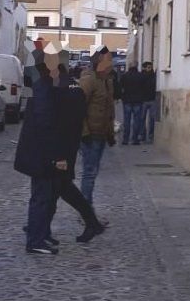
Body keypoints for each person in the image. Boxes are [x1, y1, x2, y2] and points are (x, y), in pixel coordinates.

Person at [52, 63, 104, 243]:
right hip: (63, 146)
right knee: (57, 188)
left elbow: (68, 118)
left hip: (62, 146)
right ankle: (38, 226)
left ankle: (91, 221)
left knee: (60, 187)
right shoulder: (65, 86)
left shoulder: (67, 88)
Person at [14, 59, 61, 255]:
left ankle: (39, 234)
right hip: (40, 151)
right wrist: (53, 152)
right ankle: (35, 240)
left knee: (44, 195)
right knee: (41, 197)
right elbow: (44, 119)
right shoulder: (43, 84)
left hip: (39, 149)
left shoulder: (42, 82)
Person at [78, 47, 117, 206]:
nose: (111, 64)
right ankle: (86, 212)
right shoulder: (89, 79)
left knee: (92, 173)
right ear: (99, 62)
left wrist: (110, 134)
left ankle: (87, 210)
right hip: (90, 135)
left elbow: (109, 109)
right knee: (89, 173)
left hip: (100, 134)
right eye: (108, 60)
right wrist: (84, 132)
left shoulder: (107, 81)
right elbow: (78, 107)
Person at [119, 65, 146, 145]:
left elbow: (120, 87)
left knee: (127, 120)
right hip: (138, 101)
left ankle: (125, 139)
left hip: (127, 100)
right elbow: (144, 88)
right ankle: (135, 139)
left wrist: (122, 97)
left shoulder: (124, 76)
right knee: (136, 121)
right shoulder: (141, 76)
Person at [140, 61, 158, 144]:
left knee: (151, 119)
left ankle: (150, 136)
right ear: (144, 68)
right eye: (148, 67)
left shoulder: (153, 76)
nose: (150, 69)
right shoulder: (142, 76)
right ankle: (143, 135)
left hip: (151, 99)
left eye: (151, 67)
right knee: (142, 119)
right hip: (144, 100)